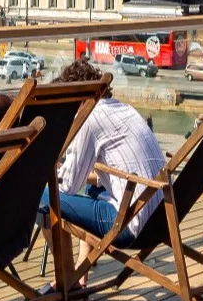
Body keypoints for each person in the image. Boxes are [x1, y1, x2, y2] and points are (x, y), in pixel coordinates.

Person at [51, 61, 165, 241]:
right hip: (162, 218)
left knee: (42, 196)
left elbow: (67, 186)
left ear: (75, 99)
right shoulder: (125, 108)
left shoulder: (88, 118)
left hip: (130, 225)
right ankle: (83, 262)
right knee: (91, 188)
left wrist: (46, 172)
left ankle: (66, 269)